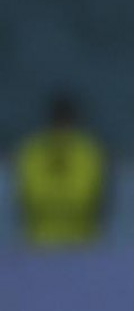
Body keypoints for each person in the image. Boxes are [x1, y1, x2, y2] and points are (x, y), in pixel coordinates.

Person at [14, 93, 108, 247]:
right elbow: (97, 201)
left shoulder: (31, 149)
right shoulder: (89, 149)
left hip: (42, 238)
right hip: (79, 239)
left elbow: (24, 199)